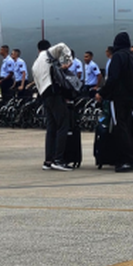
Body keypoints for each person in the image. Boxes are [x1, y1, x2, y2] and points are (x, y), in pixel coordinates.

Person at [96, 32, 133, 172]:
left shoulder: (118, 57)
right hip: (130, 97)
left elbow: (113, 78)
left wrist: (102, 93)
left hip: (118, 97)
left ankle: (124, 160)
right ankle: (132, 158)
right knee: (128, 126)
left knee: (119, 126)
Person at [32, 39, 76, 171]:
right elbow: (62, 45)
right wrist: (68, 61)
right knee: (63, 124)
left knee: (51, 128)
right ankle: (58, 159)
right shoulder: (48, 54)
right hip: (54, 93)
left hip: (45, 96)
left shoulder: (35, 64)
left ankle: (48, 160)